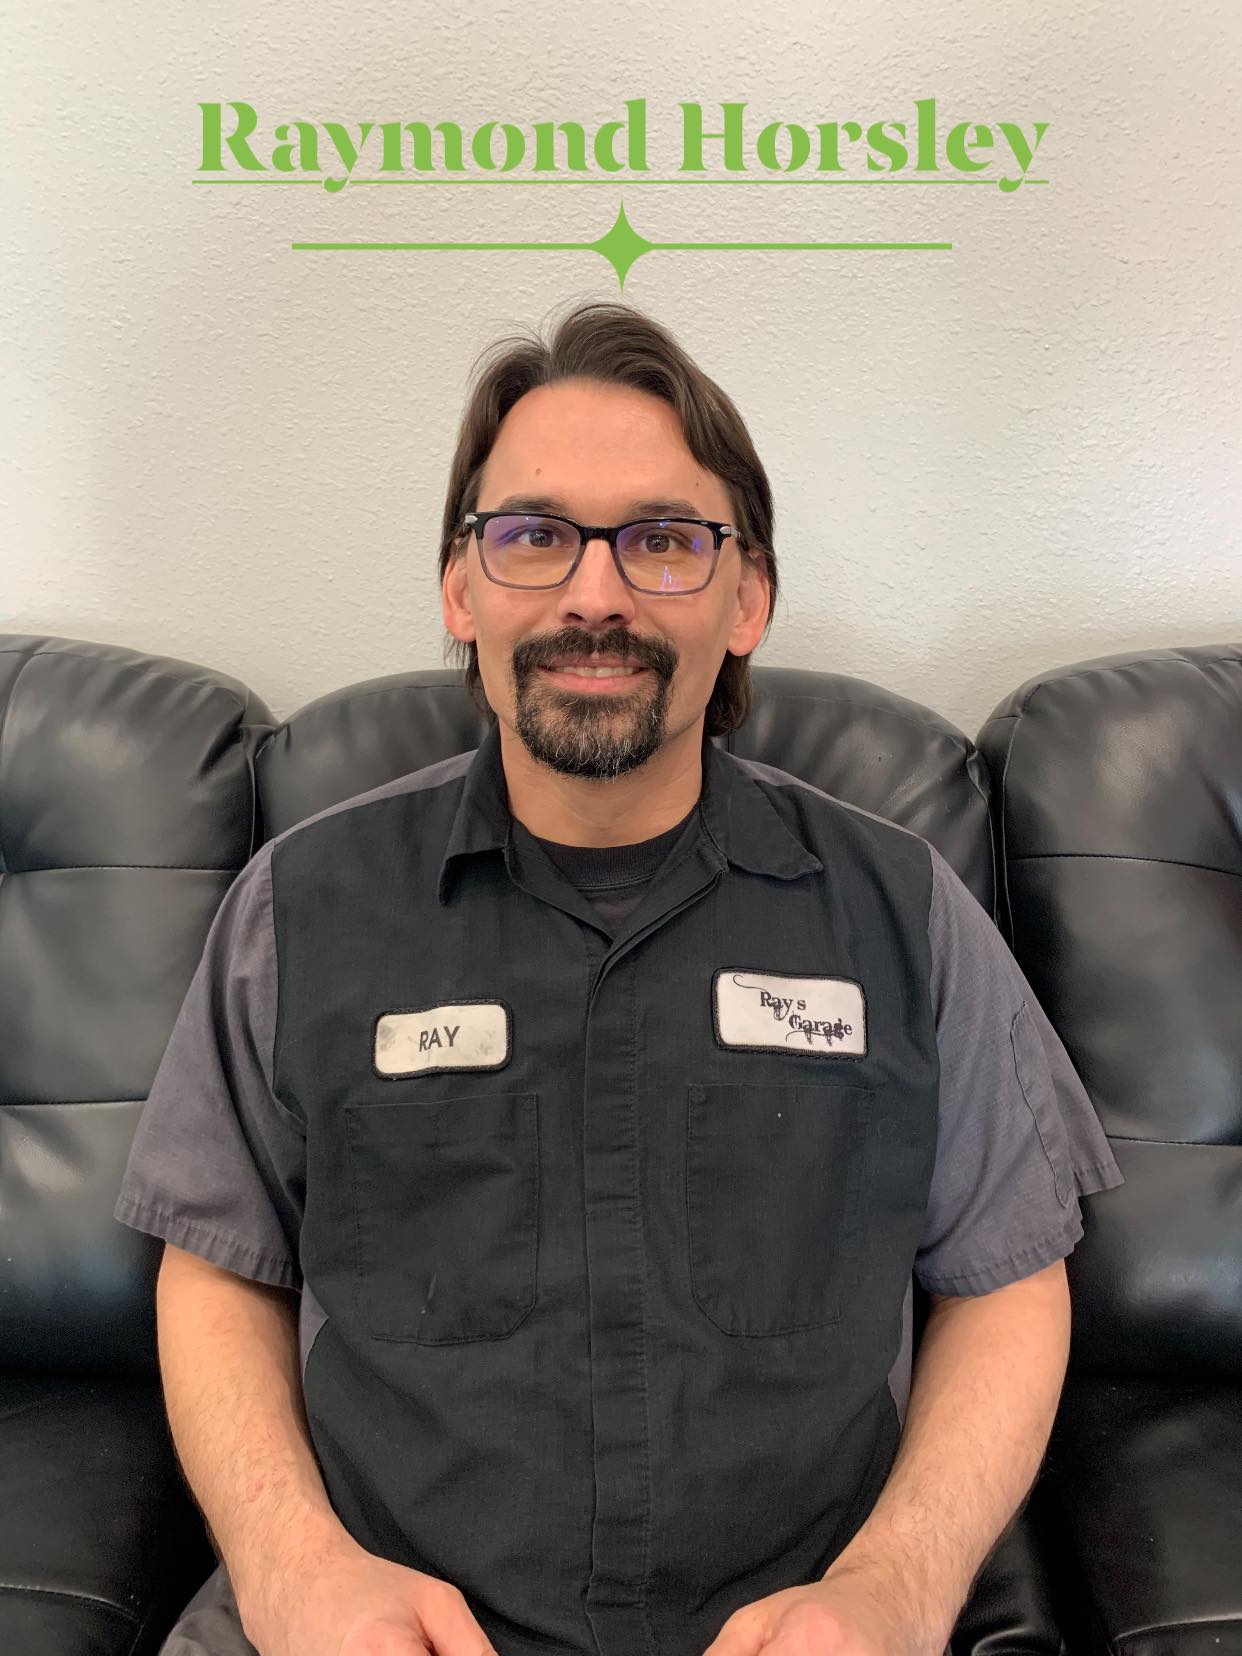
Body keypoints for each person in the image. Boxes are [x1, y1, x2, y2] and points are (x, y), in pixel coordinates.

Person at [114, 298, 1123, 1656]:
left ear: (747, 598)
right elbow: (217, 1271)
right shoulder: (299, 910)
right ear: (461, 588)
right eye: (534, 535)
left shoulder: (904, 911)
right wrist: (295, 1574)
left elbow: (1006, 1280)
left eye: (661, 540)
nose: (593, 595)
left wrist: (896, 1589)